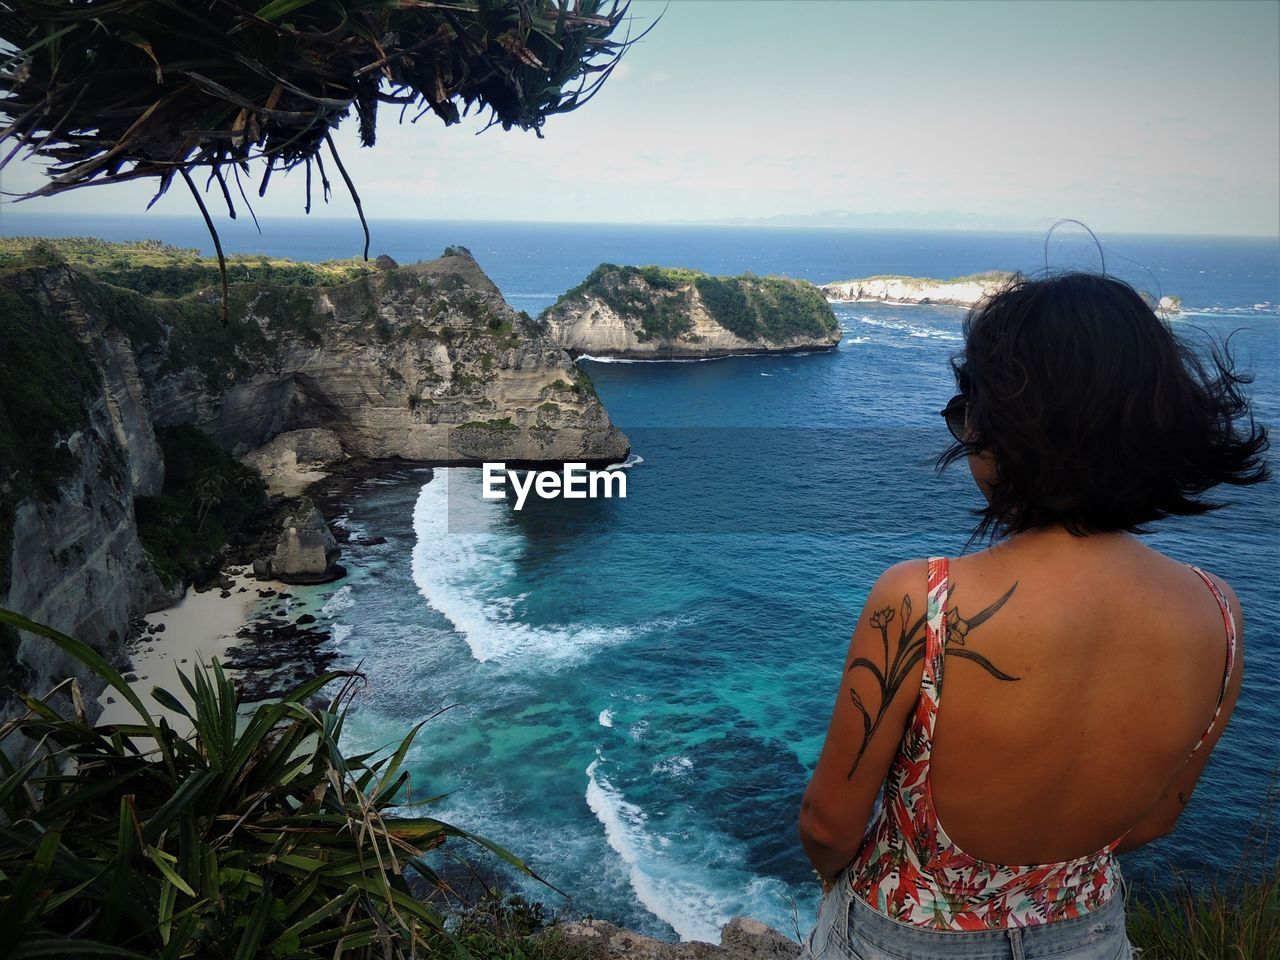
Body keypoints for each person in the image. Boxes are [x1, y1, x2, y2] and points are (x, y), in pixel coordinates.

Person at [797, 272, 1269, 959]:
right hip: (1090, 934)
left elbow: (828, 826)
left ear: (1008, 425)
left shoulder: (922, 603)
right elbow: (1159, 817)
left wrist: (849, 889)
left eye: (971, 407)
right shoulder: (1219, 612)